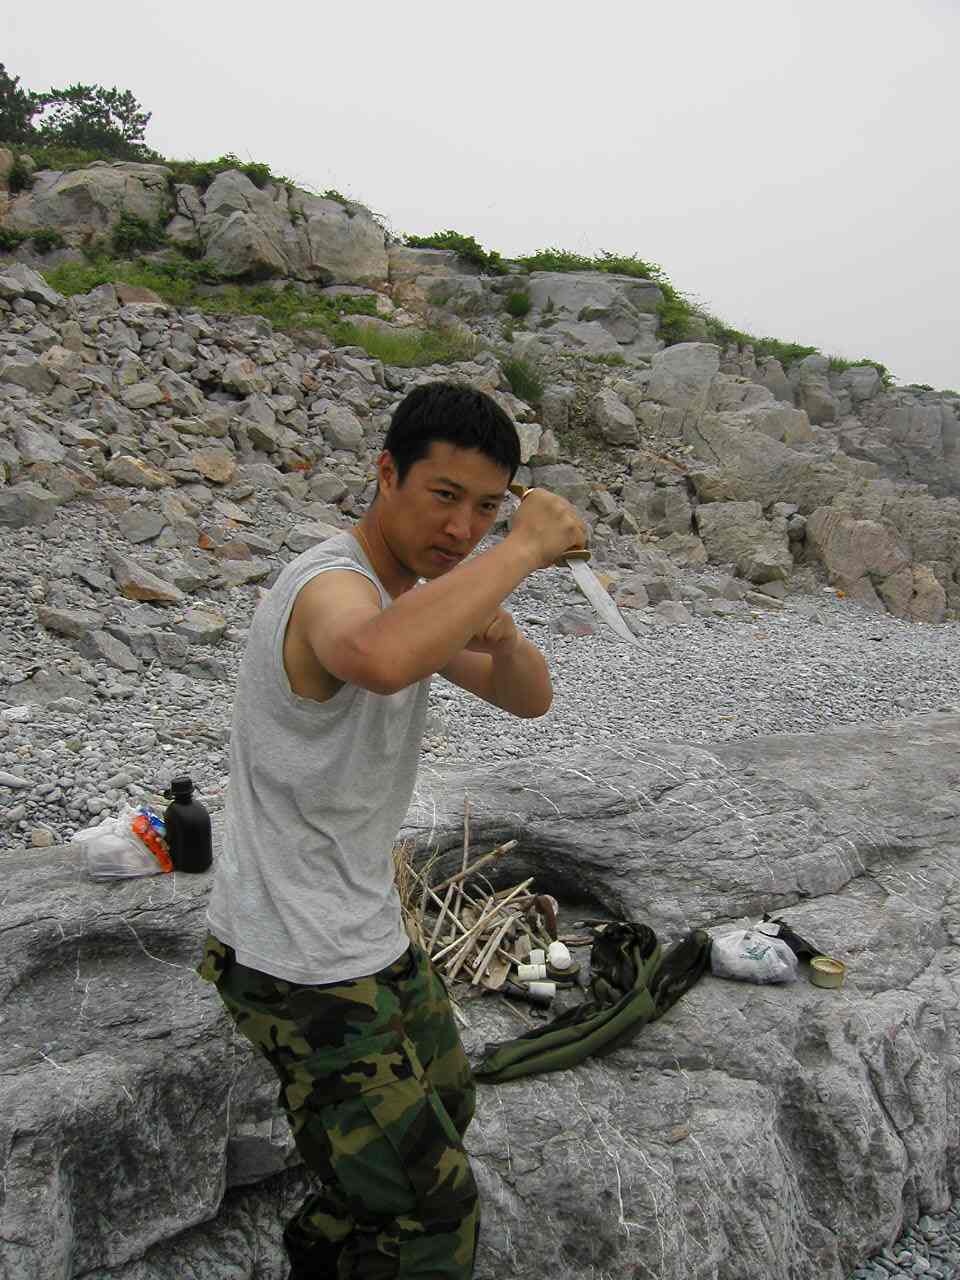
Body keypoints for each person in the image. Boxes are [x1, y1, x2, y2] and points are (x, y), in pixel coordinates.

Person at [197, 380, 587, 1279]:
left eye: (486, 509)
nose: (461, 528)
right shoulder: (332, 585)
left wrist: (504, 635)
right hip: (295, 958)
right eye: (443, 495)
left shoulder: (410, 597)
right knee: (432, 1210)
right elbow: (375, 656)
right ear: (386, 474)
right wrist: (522, 546)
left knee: (449, 1102)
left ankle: (330, 1250)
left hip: (366, 928)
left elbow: (529, 699)